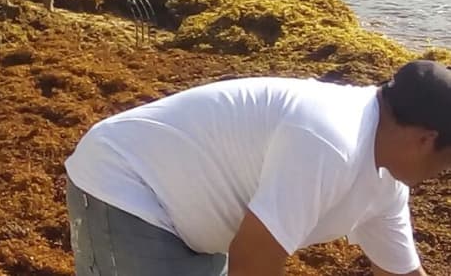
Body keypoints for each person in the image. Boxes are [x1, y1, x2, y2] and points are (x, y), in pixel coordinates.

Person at [64, 60, 451, 276]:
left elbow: (400, 273)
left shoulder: (385, 186)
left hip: (192, 218)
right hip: (128, 183)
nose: (443, 172)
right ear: (425, 139)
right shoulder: (331, 141)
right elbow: (254, 257)